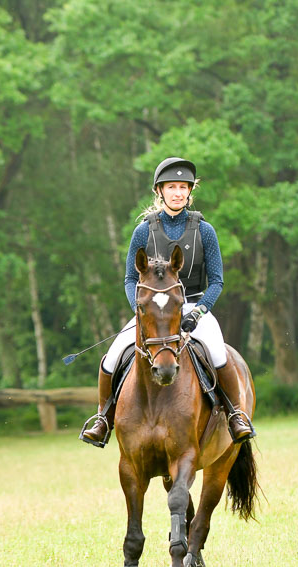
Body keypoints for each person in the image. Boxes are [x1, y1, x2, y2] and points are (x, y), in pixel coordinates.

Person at [81, 156, 255, 447]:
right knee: (112, 358)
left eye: (183, 187)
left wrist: (198, 312)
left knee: (219, 353)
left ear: (190, 192)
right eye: (171, 186)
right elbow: (128, 279)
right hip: (151, 311)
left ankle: (236, 415)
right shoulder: (143, 231)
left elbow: (218, 281)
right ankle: (103, 418)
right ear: (159, 191)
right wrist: (141, 311)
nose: (178, 192)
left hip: (192, 307)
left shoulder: (205, 231)